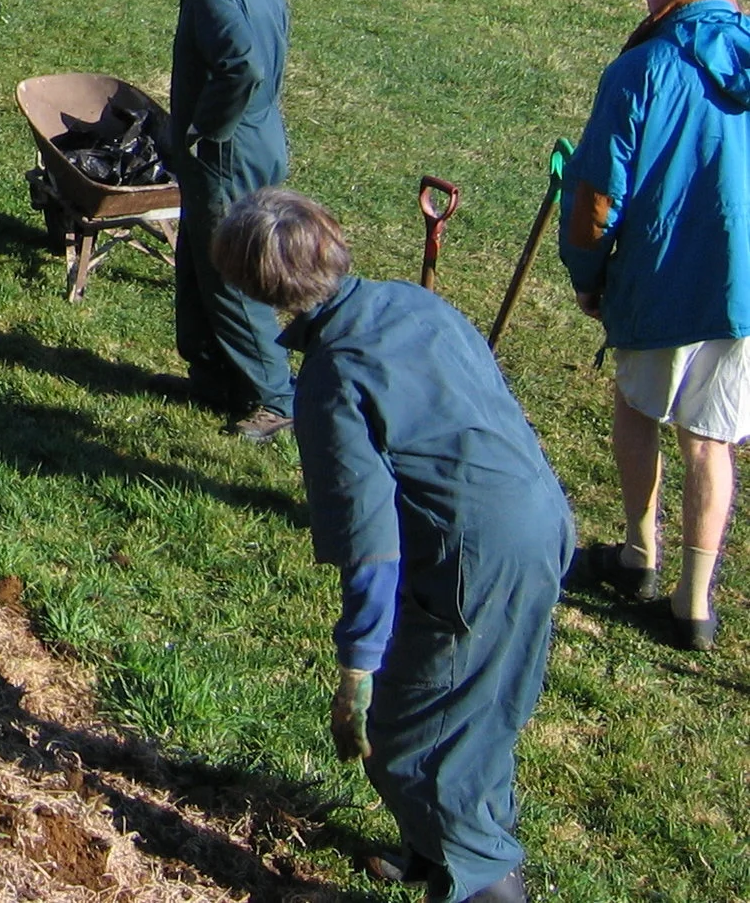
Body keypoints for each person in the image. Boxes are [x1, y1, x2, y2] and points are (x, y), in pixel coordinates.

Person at [215, 188, 571, 903]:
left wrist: (356, 669)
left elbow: (370, 546)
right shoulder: (412, 303)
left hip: (475, 556)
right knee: (476, 703)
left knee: (415, 743)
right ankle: (432, 854)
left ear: (257, 287)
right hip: (541, 517)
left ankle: (485, 879)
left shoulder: (332, 376)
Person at [559, 0, 750, 652]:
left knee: (639, 406)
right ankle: (694, 603)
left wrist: (587, 275)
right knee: (714, 438)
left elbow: (598, 195)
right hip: (740, 289)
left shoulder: (643, 67)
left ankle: (640, 555)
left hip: (666, 278)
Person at [165, 0, 296, 441]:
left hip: (227, 154)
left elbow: (242, 67)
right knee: (199, 260)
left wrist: (202, 128)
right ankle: (214, 371)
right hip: (262, 141)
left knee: (229, 275)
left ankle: (274, 397)